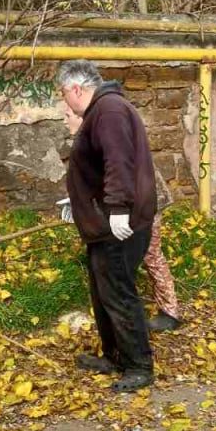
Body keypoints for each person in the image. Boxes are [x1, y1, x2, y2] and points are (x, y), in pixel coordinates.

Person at [57, 59, 157, 392]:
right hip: (104, 223)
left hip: (119, 224)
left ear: (75, 88)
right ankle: (115, 356)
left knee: (119, 293)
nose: (64, 104)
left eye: (63, 94)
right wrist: (81, 203)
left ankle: (139, 366)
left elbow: (118, 161)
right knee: (103, 293)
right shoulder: (103, 110)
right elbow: (99, 166)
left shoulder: (109, 111)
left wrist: (116, 208)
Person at [60, 104, 182, 333]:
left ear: (81, 117)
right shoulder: (93, 136)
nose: (64, 121)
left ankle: (170, 312)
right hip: (132, 206)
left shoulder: (103, 134)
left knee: (151, 254)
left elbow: (118, 175)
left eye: (68, 116)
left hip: (146, 204)